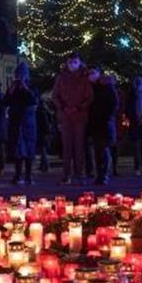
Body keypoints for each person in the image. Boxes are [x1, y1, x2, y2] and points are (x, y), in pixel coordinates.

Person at [51, 52, 94, 184]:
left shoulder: (84, 77)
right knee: (67, 147)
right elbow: (55, 95)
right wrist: (63, 107)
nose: (72, 65)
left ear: (79, 62)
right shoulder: (61, 78)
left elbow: (89, 96)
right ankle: (66, 174)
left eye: (75, 62)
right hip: (65, 116)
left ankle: (79, 174)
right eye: (70, 62)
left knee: (79, 146)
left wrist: (78, 107)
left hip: (80, 116)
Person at [4, 63, 39, 185]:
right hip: (15, 121)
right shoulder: (13, 87)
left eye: (21, 74)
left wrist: (26, 88)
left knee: (29, 149)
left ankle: (29, 176)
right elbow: (6, 101)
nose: (19, 77)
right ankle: (18, 175)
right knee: (17, 150)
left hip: (28, 122)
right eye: (17, 74)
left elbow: (34, 101)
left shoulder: (31, 86)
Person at [88, 67, 120, 185]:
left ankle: (104, 174)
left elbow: (114, 103)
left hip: (105, 121)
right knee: (97, 149)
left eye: (93, 73)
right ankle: (99, 174)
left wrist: (108, 116)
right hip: (95, 122)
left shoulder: (106, 86)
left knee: (103, 148)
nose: (91, 75)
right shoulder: (92, 87)